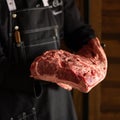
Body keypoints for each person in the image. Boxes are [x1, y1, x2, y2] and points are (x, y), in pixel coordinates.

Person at [0, 0, 96, 120]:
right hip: (16, 106)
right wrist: (42, 71)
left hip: (58, 101)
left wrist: (93, 48)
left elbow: (76, 31)